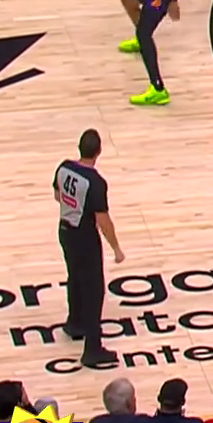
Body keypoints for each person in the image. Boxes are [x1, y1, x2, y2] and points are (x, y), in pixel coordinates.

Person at [54, 128, 123, 369]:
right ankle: (92, 349)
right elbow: (102, 220)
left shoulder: (64, 168)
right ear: (99, 151)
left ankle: (75, 322)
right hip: (84, 236)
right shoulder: (95, 182)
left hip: (64, 230)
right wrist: (116, 248)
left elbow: (57, 195)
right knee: (94, 290)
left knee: (74, 277)